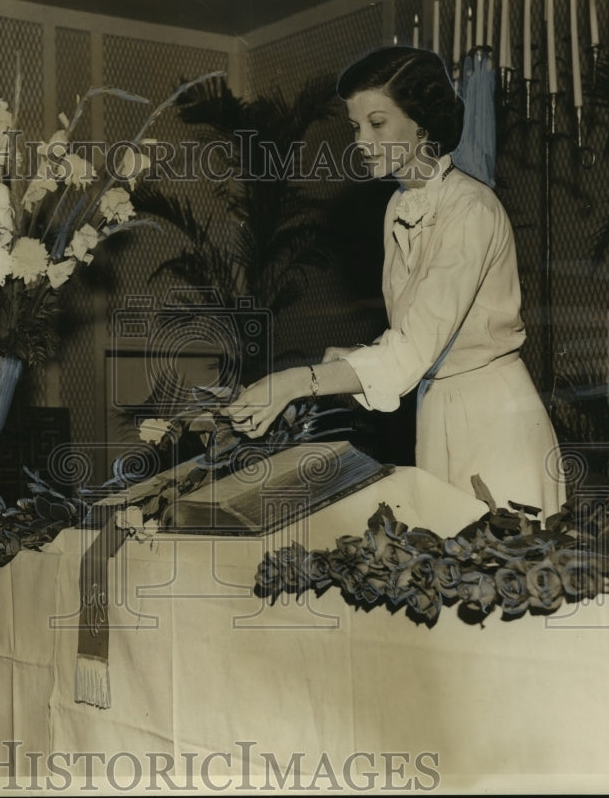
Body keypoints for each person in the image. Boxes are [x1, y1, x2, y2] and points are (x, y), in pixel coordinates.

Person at [224, 47, 564, 517]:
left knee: (496, 568)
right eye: (356, 127)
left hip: (495, 421)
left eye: (377, 123)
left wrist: (295, 382)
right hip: (436, 412)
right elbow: (416, 334)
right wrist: (350, 362)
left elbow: (413, 350)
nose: (361, 140)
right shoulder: (399, 207)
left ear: (421, 124)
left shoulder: (471, 209)